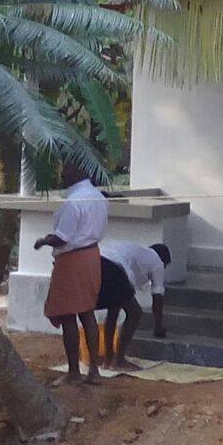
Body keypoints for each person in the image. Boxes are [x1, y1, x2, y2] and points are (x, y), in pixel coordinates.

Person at [34, 162, 108, 386]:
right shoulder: (99, 197)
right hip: (92, 255)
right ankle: (94, 370)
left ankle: (74, 371)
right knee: (87, 313)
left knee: (68, 315)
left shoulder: (73, 202)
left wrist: (44, 241)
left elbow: (63, 237)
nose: (62, 173)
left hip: (72, 259)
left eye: (66, 169)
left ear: (78, 171)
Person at [96, 242, 172, 371]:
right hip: (115, 268)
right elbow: (158, 296)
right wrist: (158, 327)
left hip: (96, 260)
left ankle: (108, 359)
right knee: (135, 312)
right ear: (164, 260)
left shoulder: (138, 252)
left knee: (113, 309)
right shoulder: (157, 261)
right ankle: (119, 360)